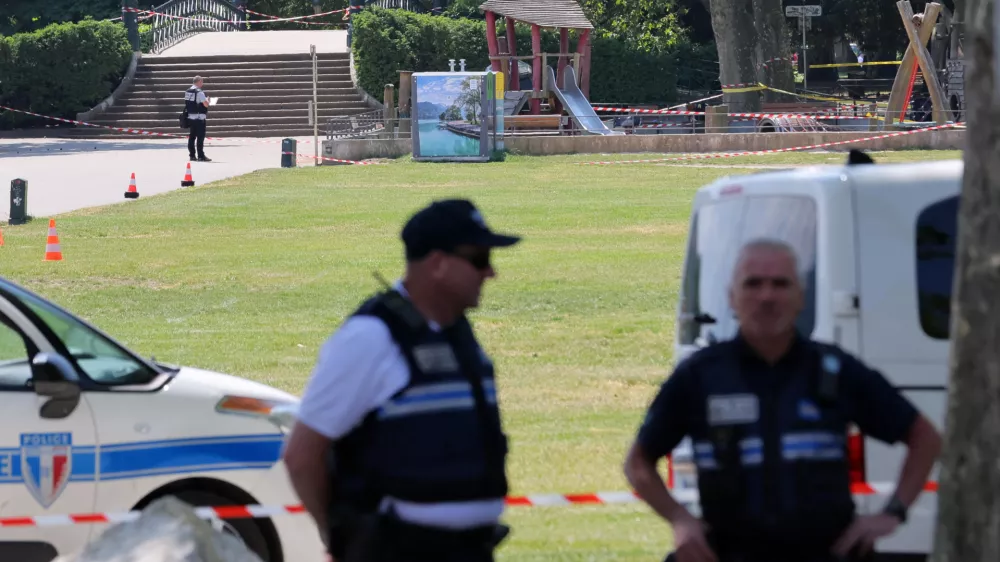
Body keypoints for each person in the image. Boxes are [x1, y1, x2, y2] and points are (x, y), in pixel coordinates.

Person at [623, 238, 943, 562]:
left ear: (800, 297)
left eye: (780, 284)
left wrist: (892, 513)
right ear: (731, 298)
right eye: (753, 284)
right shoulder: (700, 377)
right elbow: (638, 462)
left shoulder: (834, 371)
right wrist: (680, 519)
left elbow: (924, 438)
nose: (766, 296)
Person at [282, 199, 521, 562]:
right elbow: (302, 455)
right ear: (438, 264)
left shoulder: (456, 331)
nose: (490, 273)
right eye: (479, 259)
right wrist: (342, 540)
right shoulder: (371, 337)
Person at [184, 76, 211, 162]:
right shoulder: (200, 92)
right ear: (199, 82)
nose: (202, 84)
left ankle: (192, 155)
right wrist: (208, 100)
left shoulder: (187, 91)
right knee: (200, 137)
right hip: (199, 118)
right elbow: (205, 104)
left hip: (191, 117)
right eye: (202, 82)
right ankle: (200, 156)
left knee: (192, 137)